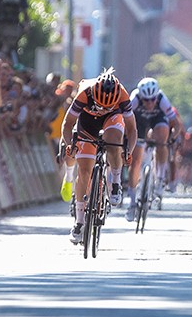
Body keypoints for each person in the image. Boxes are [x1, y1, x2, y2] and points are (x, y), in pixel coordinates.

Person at [58, 68, 137, 244]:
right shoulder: (85, 93)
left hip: (113, 119)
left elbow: (132, 130)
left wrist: (128, 151)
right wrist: (70, 145)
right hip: (87, 121)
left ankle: (115, 181)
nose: (102, 109)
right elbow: (67, 124)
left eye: (106, 106)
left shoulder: (122, 95)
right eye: (100, 105)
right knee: (85, 171)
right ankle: (79, 222)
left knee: (114, 141)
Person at [125, 77, 181, 221]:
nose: (149, 103)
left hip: (158, 119)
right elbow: (124, 121)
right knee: (136, 161)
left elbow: (176, 124)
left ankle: (160, 178)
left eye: (152, 99)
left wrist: (172, 138)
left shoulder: (162, 99)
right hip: (139, 121)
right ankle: (131, 203)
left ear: (156, 96)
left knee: (163, 137)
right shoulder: (134, 99)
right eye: (146, 100)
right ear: (141, 97)